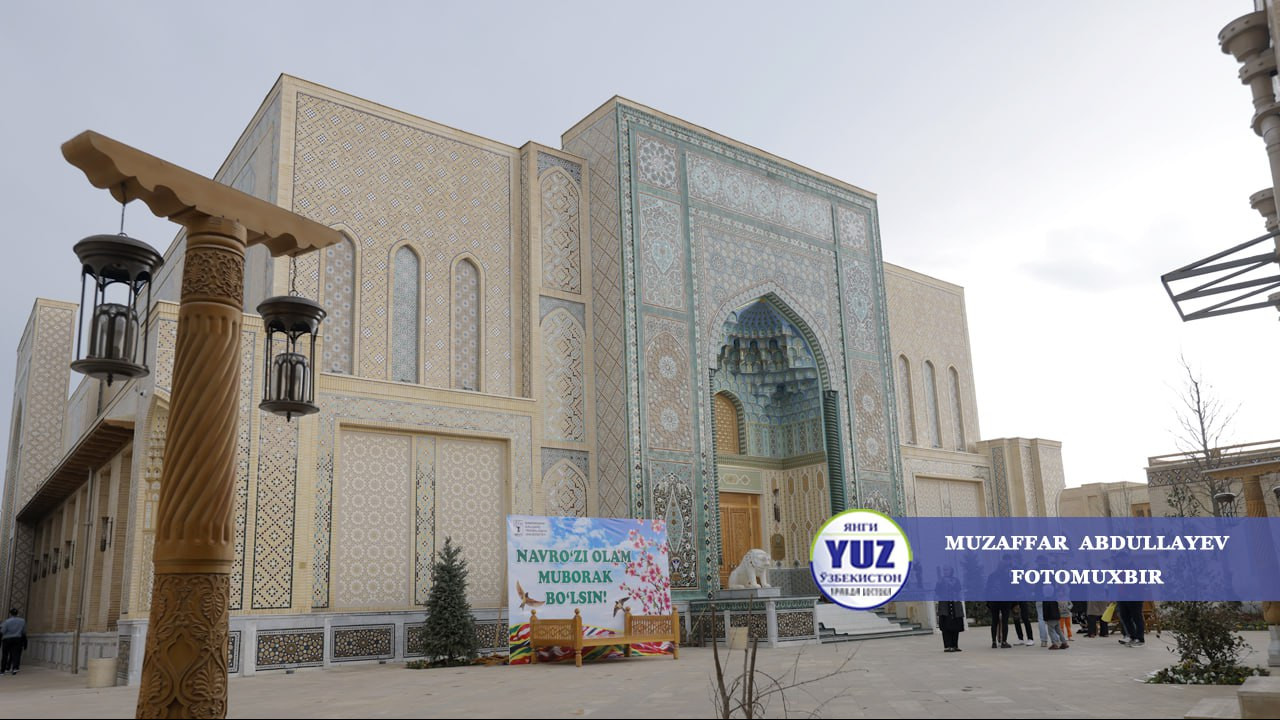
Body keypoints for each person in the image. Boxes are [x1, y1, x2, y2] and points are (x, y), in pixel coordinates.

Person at [936, 567, 966, 653]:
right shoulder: (940, 581)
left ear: (951, 571)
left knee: (955, 626)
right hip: (945, 606)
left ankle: (955, 645)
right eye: (944, 570)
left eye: (947, 570)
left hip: (955, 605)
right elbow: (937, 591)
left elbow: (959, 589)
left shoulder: (956, 580)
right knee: (946, 627)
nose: (945, 571)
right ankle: (947, 646)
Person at [0, 608, 26, 675]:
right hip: (17, 639)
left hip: (7, 639)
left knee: (5, 655)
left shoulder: (7, 621)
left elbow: (2, 631)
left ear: (10, 614)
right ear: (17, 613)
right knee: (16, 654)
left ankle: (2, 670)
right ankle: (14, 668)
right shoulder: (22, 621)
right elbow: (23, 632)